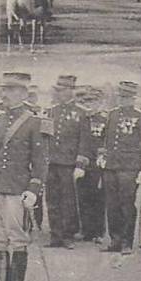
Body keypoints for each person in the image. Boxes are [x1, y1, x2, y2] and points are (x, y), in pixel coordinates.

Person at [0, 71, 49, 281]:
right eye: (4, 90)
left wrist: (34, 188)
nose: (4, 94)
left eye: (10, 90)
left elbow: (41, 161)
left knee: (17, 239)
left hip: (18, 189)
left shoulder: (35, 122)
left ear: (22, 93)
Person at [102, 81, 141, 253]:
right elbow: (106, 139)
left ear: (133, 98)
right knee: (112, 204)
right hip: (111, 166)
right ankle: (115, 239)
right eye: (121, 96)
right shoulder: (112, 114)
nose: (123, 100)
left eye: (126, 97)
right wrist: (103, 156)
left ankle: (126, 241)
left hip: (129, 167)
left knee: (126, 204)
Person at [44, 75, 89, 249]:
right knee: (52, 199)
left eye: (63, 91)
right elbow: (45, 137)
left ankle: (68, 236)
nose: (60, 94)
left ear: (71, 91)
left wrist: (80, 164)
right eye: (58, 91)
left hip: (69, 163)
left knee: (68, 201)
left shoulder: (81, 112)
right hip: (52, 162)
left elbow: (84, 140)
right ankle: (55, 235)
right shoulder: (51, 111)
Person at [76, 86, 108, 244]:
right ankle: (86, 230)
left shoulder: (105, 119)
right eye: (87, 101)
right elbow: (81, 142)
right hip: (84, 163)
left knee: (98, 199)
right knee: (83, 197)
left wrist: (103, 157)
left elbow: (105, 141)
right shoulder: (83, 118)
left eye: (93, 101)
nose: (89, 104)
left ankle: (99, 231)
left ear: (100, 102)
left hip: (98, 164)